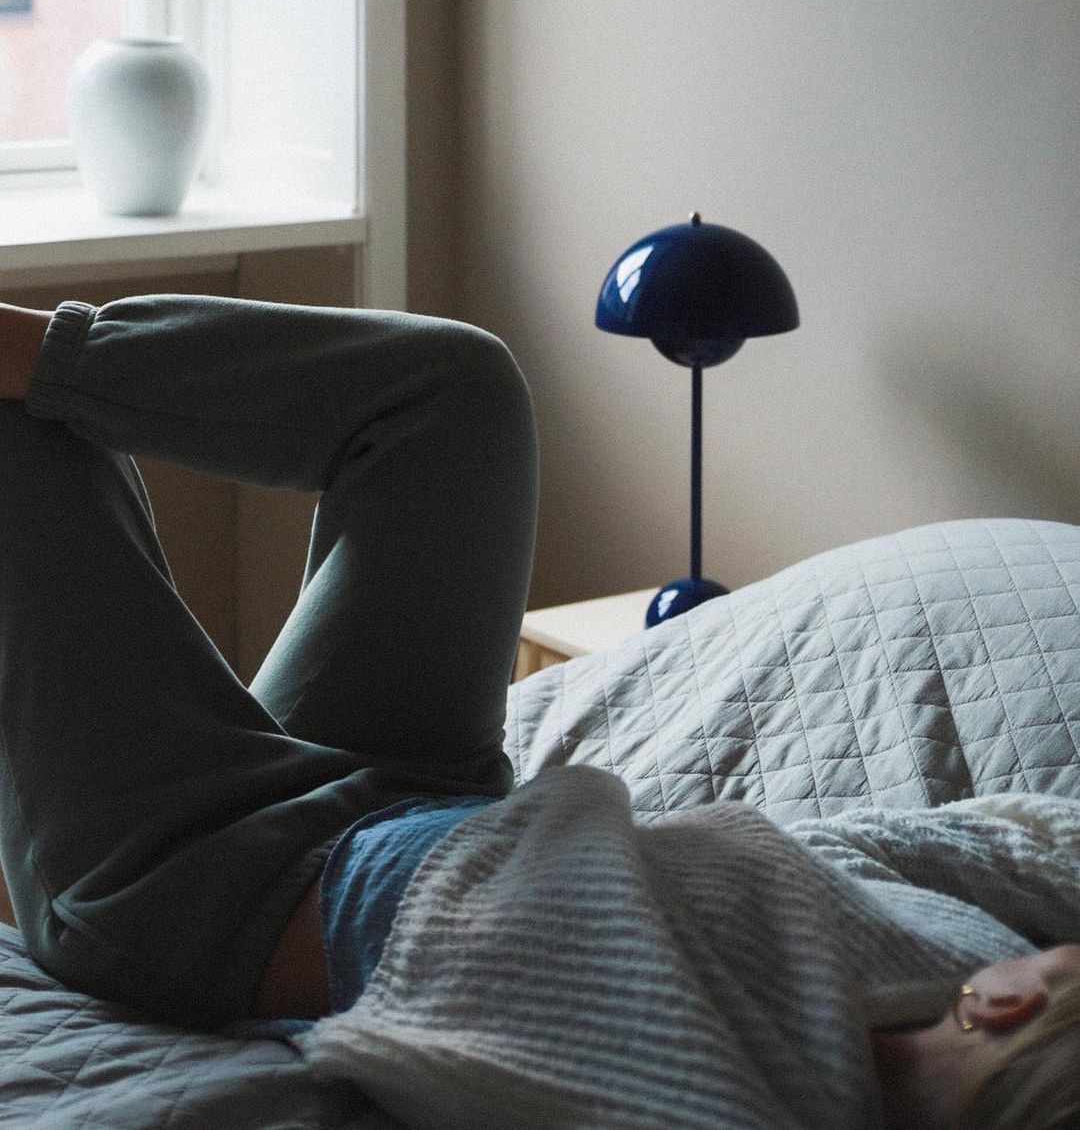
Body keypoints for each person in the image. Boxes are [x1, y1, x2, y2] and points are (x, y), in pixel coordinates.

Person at [1, 294, 1079, 1130]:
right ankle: (46, 345)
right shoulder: (950, 949)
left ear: (1012, 1006)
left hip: (203, 884)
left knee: (20, 440)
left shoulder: (700, 1103)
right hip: (431, 789)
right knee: (456, 394)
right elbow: (1010, 843)